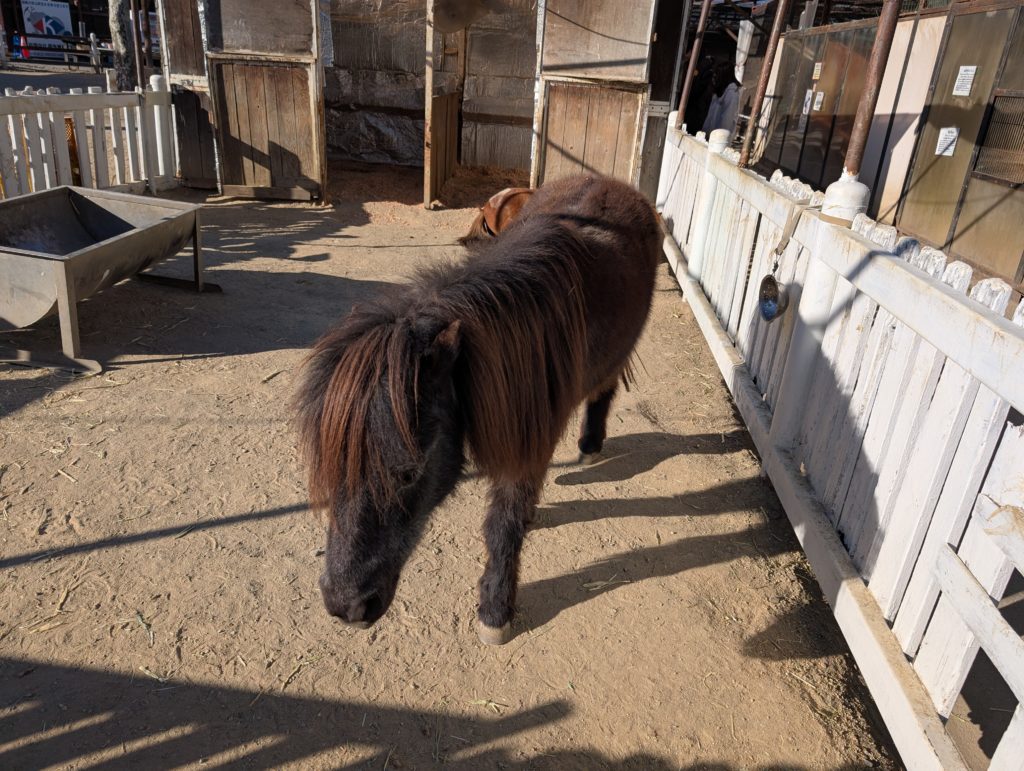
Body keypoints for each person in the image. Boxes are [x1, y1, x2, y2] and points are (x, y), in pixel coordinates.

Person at [702, 62, 740, 135]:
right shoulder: (720, 90)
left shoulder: (732, 94)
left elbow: (727, 120)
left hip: (719, 138)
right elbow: (710, 116)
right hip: (711, 135)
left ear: (724, 76)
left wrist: (719, 137)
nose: (714, 77)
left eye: (717, 74)